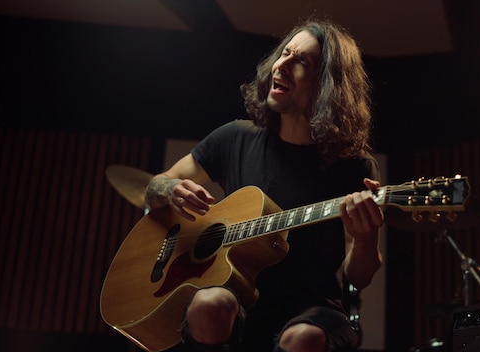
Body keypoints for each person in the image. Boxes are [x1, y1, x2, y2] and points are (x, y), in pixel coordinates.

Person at [145, 19, 383, 352]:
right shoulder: (233, 138)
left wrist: (365, 236)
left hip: (313, 309)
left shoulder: (353, 166)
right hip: (236, 297)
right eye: (284, 54)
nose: (281, 65)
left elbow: (359, 277)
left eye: (301, 61)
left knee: (302, 339)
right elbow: (156, 186)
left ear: (327, 86)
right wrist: (170, 190)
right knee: (209, 304)